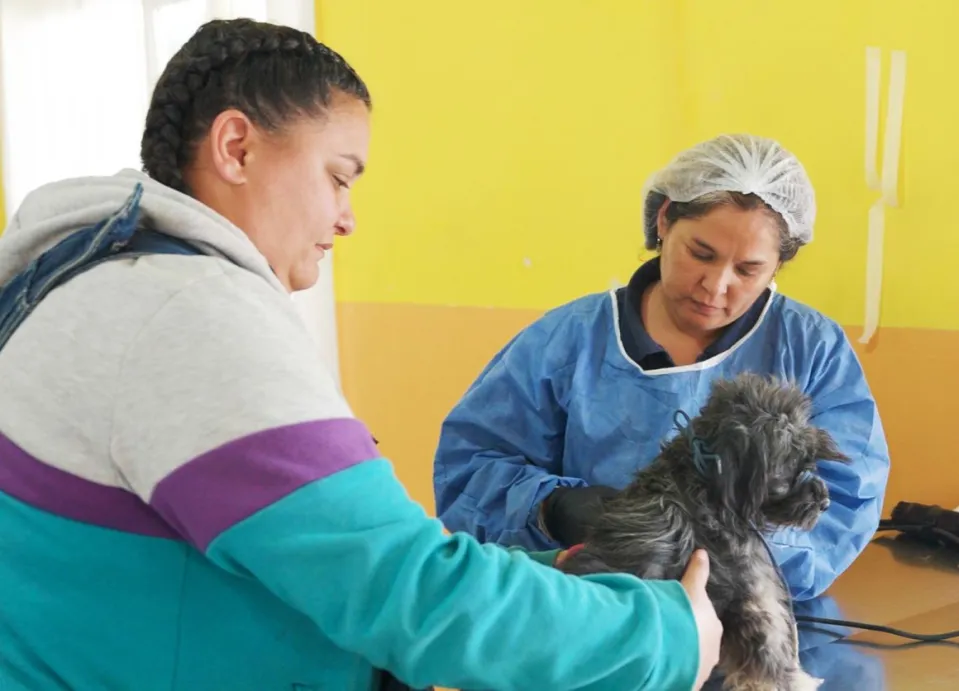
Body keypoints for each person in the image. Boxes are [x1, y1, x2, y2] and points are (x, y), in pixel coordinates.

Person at [0, 18, 723, 691]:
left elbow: (307, 558)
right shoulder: (190, 315)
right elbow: (410, 593)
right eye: (338, 177)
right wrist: (660, 636)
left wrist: (555, 576)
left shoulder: (90, 276)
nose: (346, 218)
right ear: (236, 147)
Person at [433, 133, 891, 602]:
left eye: (747, 270)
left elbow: (844, 503)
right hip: (588, 604)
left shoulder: (811, 350)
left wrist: (718, 559)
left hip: (745, 612)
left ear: (779, 264)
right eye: (701, 254)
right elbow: (472, 464)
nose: (716, 286)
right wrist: (553, 507)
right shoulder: (568, 341)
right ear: (664, 219)